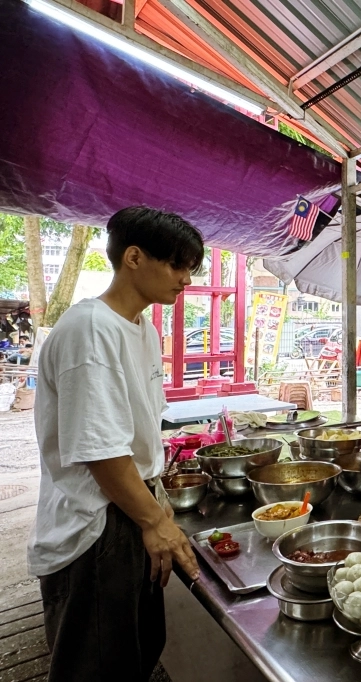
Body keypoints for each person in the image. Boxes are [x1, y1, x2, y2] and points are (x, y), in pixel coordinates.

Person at [28, 207, 203, 681]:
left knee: (135, 653)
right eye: (177, 265)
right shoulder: (90, 328)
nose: (185, 279)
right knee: (97, 665)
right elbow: (100, 448)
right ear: (133, 257)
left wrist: (155, 508)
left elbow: (135, 426)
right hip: (97, 525)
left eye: (191, 268)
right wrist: (154, 521)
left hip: (132, 509)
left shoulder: (141, 328)